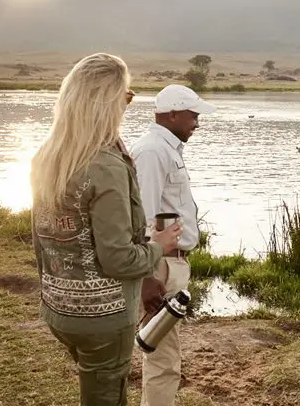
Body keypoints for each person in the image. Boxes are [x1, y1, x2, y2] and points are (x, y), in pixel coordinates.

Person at [30, 53, 182, 406]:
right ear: (108, 102)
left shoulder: (47, 157)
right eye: (126, 97)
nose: (127, 106)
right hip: (104, 316)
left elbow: (42, 240)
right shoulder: (105, 167)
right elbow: (118, 260)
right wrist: (159, 244)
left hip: (58, 310)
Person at [130, 83, 216, 406]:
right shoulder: (153, 152)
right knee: (163, 360)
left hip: (168, 263)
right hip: (160, 265)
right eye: (193, 115)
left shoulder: (164, 149)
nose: (197, 122)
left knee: (161, 352)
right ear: (174, 114)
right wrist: (147, 276)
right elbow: (143, 218)